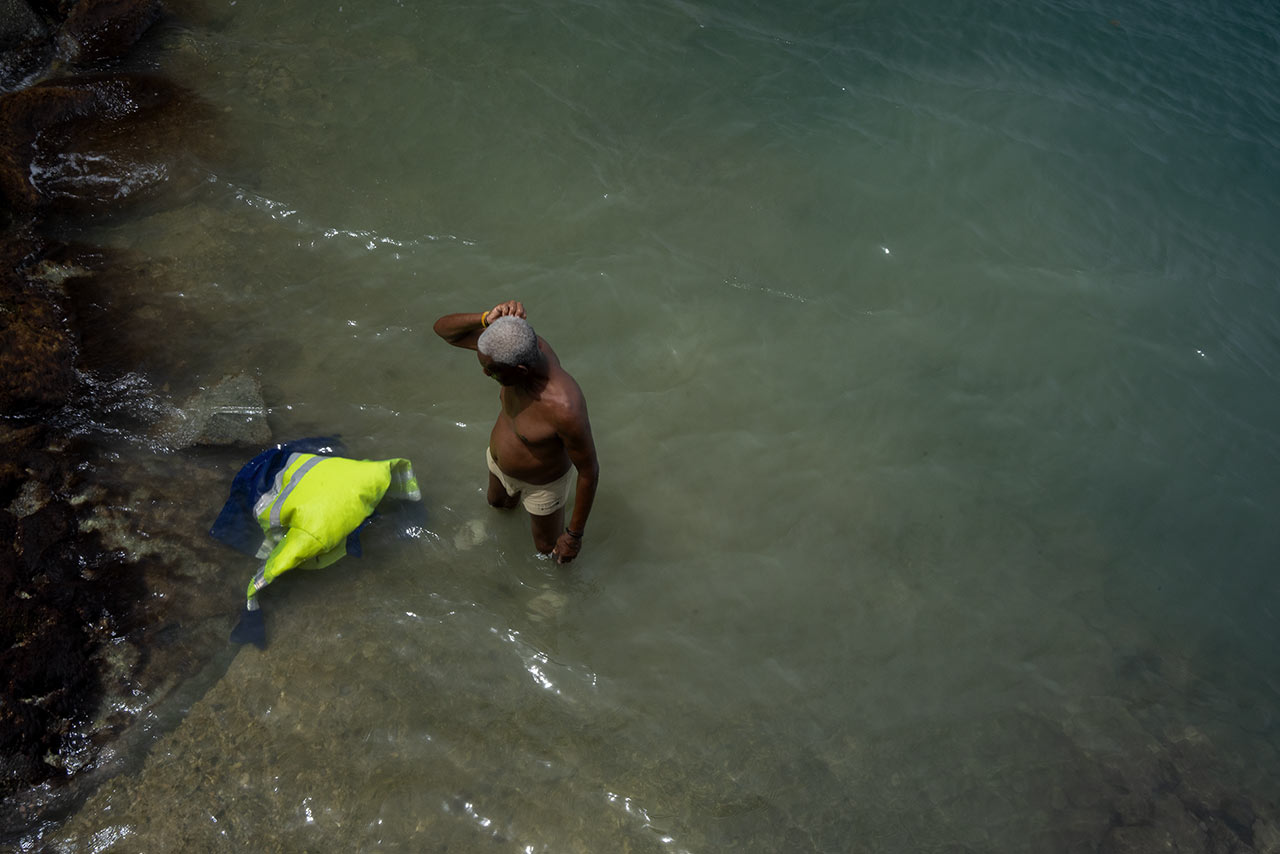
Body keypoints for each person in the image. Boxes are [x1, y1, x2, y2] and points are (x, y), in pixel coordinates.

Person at [433, 301, 599, 564]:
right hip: (499, 465)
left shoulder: (564, 408)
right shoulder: (510, 347)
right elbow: (443, 331)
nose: (485, 372)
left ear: (520, 371)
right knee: (497, 505)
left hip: (541, 486)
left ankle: (552, 591)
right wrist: (486, 318)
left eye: (492, 371)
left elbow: (589, 472)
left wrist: (573, 535)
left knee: (545, 547)